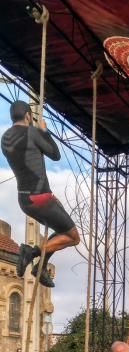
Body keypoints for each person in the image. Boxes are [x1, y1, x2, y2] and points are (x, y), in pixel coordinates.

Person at [0, 100, 80, 288]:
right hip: (40, 198)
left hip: (25, 199)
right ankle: (31, 253)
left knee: (60, 231)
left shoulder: (5, 138)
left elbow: (29, 162)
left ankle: (40, 268)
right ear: (28, 115)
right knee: (73, 237)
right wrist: (44, 131)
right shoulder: (32, 132)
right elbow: (55, 154)